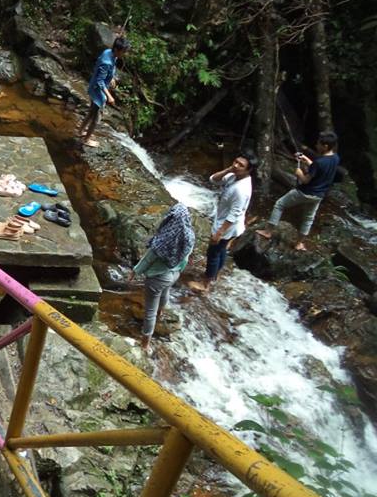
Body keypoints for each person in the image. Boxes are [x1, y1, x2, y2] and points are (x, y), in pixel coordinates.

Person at [257, 132, 340, 251]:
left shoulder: (319, 162)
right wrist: (306, 159)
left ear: (325, 146)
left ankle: (268, 232)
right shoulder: (335, 158)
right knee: (308, 218)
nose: (316, 145)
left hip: (306, 192)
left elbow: (306, 180)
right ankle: (299, 243)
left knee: (279, 204)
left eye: (319, 144)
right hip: (319, 195)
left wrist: (299, 173)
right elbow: (319, 170)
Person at [131, 203, 196, 350]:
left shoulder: (164, 239)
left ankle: (145, 343)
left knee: (149, 311)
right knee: (165, 293)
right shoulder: (189, 237)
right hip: (174, 275)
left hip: (157, 278)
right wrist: (178, 271)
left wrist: (135, 271)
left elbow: (147, 259)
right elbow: (185, 259)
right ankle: (161, 312)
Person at [189, 153, 256, 293]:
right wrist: (228, 170)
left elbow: (234, 213)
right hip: (229, 224)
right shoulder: (234, 176)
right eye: (236, 161)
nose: (236, 165)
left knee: (213, 252)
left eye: (240, 165)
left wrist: (219, 232)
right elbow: (213, 179)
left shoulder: (241, 190)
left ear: (248, 170)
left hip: (228, 226)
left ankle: (205, 285)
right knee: (221, 250)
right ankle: (215, 275)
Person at [79, 36, 131, 148]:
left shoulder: (109, 52)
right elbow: (100, 81)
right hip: (98, 92)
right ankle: (86, 139)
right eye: (123, 51)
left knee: (91, 112)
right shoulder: (106, 62)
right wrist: (109, 96)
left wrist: (111, 77)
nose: (124, 54)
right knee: (96, 118)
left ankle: (81, 131)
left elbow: (105, 71)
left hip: (94, 88)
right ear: (117, 50)